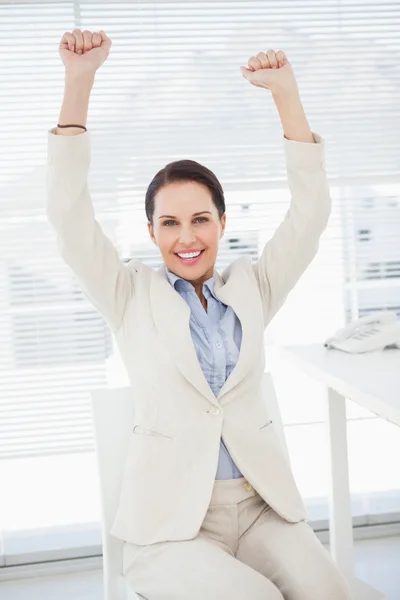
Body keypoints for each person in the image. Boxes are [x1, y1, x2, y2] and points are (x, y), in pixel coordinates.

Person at [48, 29, 353, 600]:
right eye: (170, 223)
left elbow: (310, 215)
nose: (187, 238)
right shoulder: (128, 293)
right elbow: (67, 215)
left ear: (221, 221)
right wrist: (79, 80)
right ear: (151, 232)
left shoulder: (252, 287)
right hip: (170, 527)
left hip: (263, 511)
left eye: (200, 219)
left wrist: (285, 94)